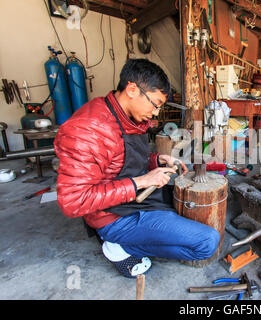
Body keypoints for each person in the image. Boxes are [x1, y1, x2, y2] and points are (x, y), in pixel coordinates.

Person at [54, 59, 220, 278]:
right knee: (207, 243)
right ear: (132, 89)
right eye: (155, 104)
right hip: (112, 216)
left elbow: (122, 160)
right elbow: (73, 202)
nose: (156, 113)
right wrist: (142, 181)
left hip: (132, 199)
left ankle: (141, 233)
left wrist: (156, 161)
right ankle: (120, 246)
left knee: (184, 208)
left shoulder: (125, 115)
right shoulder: (88, 130)